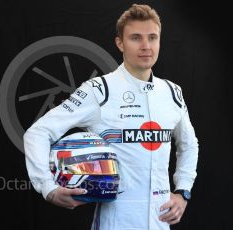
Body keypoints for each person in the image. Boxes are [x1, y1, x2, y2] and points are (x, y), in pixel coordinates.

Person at [23, 4, 198, 230]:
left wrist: (183, 191)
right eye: (136, 38)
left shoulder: (172, 93)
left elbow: (189, 144)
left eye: (152, 38)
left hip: (160, 219)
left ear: (159, 41)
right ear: (120, 43)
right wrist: (47, 187)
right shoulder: (99, 90)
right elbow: (38, 132)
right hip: (116, 221)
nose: (146, 46)